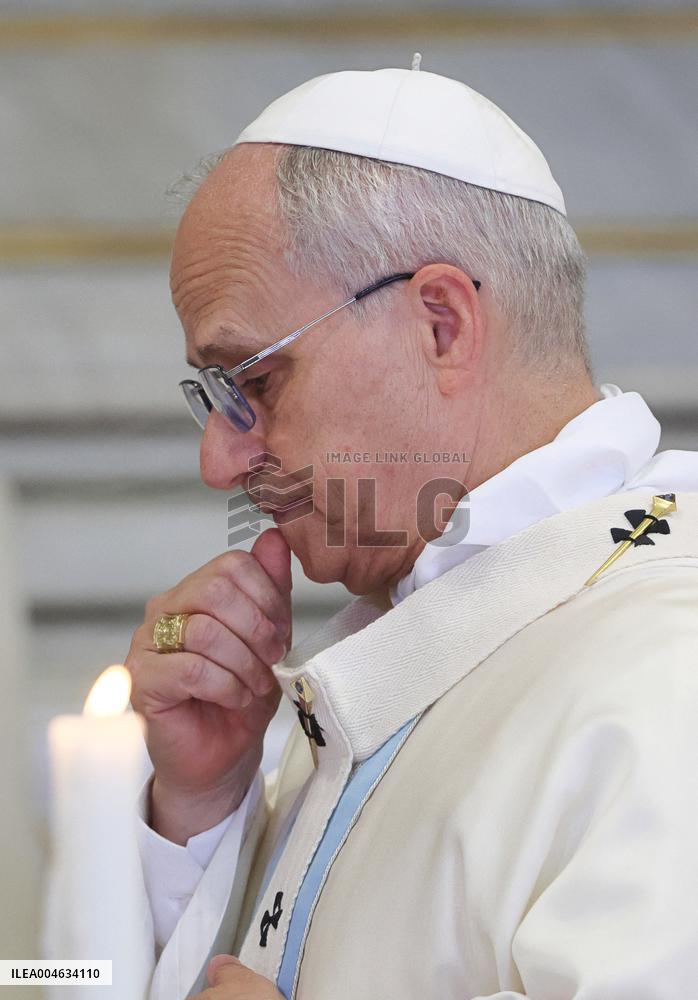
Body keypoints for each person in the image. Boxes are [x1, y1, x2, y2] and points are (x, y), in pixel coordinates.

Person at [126, 61, 698, 999]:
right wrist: (207, 806)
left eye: (254, 385)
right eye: (215, 400)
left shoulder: (669, 668)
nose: (220, 464)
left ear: (440, 322)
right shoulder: (404, 651)